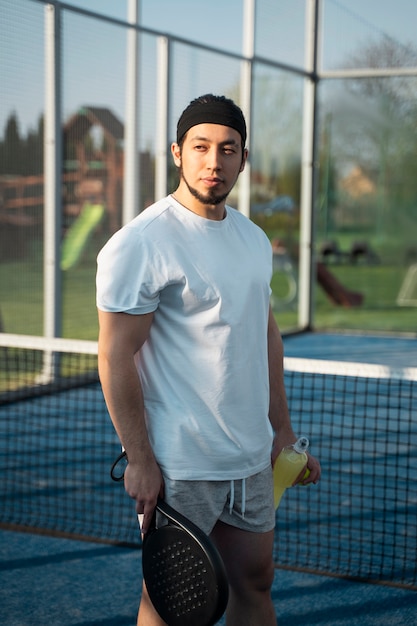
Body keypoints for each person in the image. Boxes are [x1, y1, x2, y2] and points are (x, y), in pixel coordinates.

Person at [96, 94, 321, 626]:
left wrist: (281, 431)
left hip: (249, 457)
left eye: (227, 149)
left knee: (255, 582)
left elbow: (264, 333)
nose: (213, 162)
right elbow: (114, 354)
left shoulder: (254, 238)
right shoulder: (141, 243)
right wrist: (141, 459)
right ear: (177, 152)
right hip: (180, 464)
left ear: (244, 159)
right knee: (171, 604)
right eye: (200, 147)